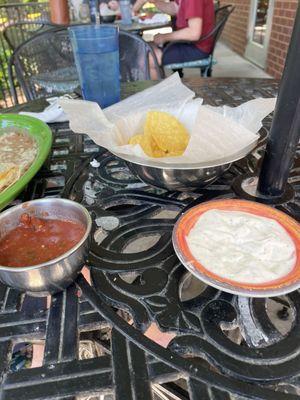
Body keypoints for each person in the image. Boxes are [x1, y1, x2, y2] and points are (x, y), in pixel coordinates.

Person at [134, 0, 215, 78]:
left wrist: (164, 37)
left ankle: (163, 90)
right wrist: (155, 2)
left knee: (146, 59)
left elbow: (194, 33)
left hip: (197, 48)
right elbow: (175, 8)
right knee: (145, 47)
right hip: (188, 42)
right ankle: (164, 85)